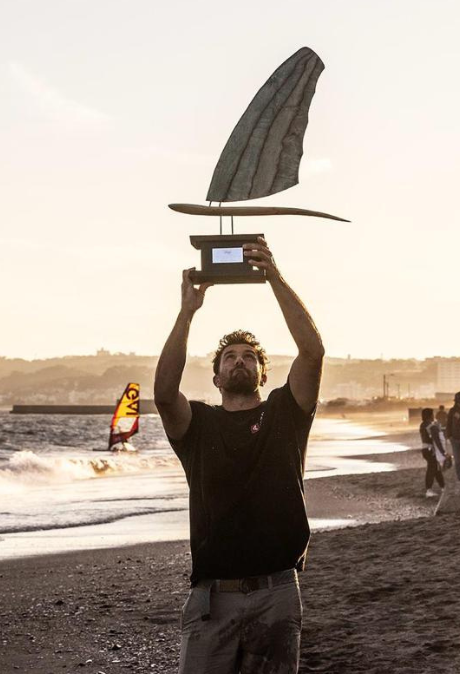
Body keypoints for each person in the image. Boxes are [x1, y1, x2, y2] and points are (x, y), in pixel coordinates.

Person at [154, 237, 323, 673]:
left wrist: (274, 277)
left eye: (249, 357)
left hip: (277, 591)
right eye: (229, 358)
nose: (239, 361)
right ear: (216, 378)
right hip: (212, 597)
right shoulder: (198, 425)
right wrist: (187, 312)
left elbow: (312, 352)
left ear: (263, 374)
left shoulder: (285, 414)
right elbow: (164, 394)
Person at [419, 407, 446, 497]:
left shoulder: (422, 425)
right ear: (430, 416)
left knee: (436, 469)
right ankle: (429, 490)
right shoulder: (431, 426)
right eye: (432, 414)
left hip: (425, 449)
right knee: (432, 469)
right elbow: (436, 440)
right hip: (430, 450)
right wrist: (443, 452)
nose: (433, 416)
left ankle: (443, 487)